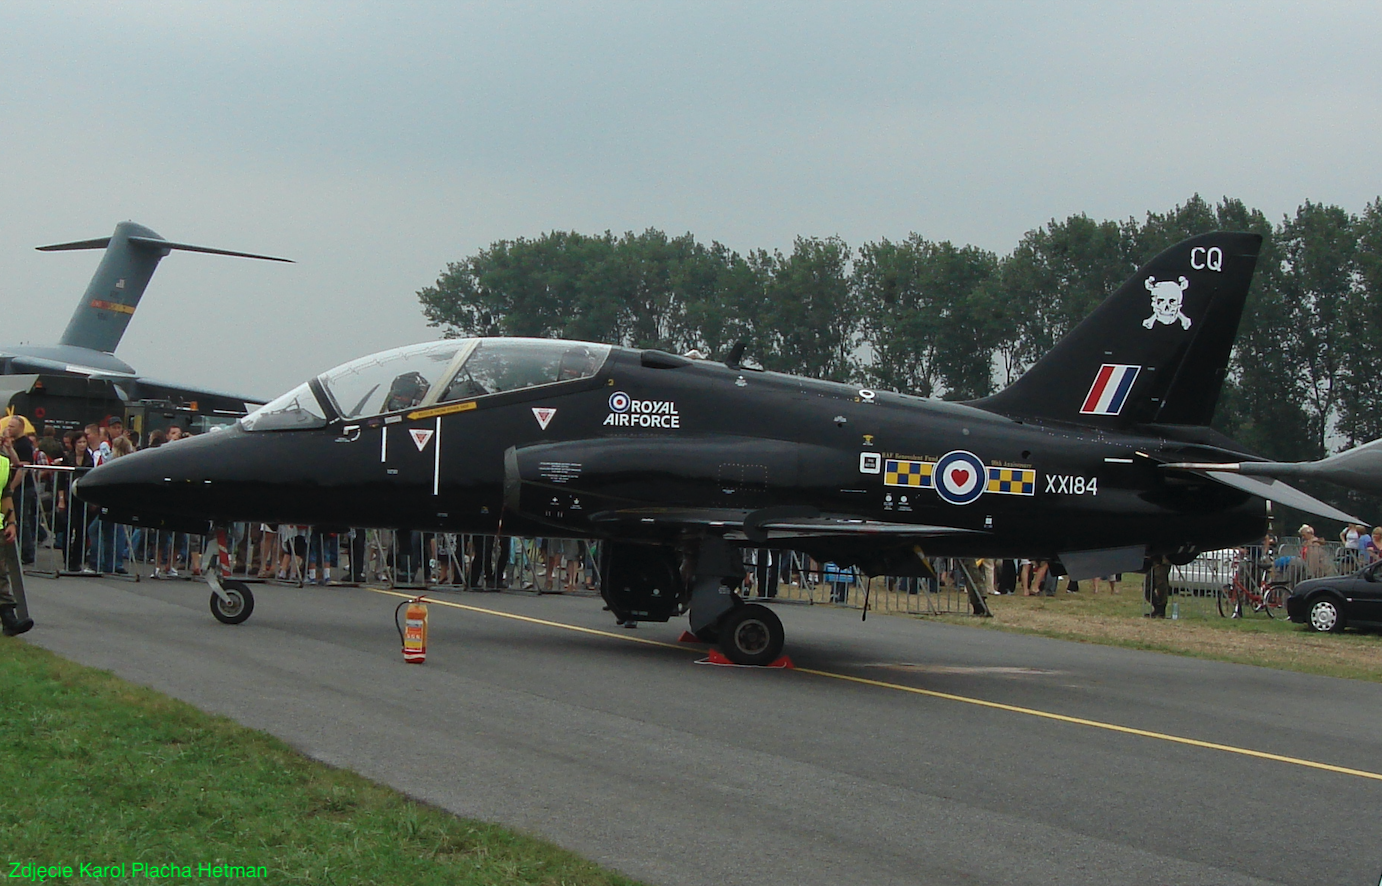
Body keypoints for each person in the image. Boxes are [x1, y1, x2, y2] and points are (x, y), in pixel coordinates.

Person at [0, 443, 34, 636]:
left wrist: (11, 522)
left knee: (0, 574)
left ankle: (8, 618)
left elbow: (5, 494)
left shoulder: (3, 461)